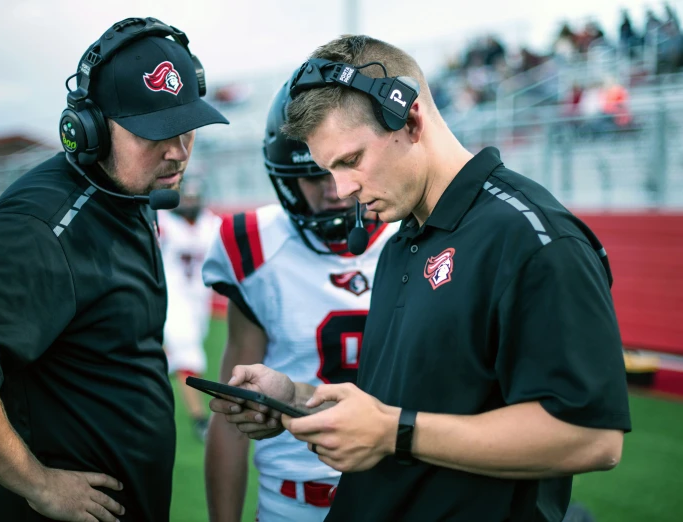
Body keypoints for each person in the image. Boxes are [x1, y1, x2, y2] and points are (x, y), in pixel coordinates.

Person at [209, 35, 630, 522]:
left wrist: (393, 431)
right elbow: (405, 404)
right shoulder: (403, 239)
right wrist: (297, 397)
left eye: (350, 161)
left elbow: (592, 438)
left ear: (410, 120)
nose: (342, 189)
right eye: (327, 170)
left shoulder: (532, 239)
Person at [0, 17, 227, 522]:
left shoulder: (127, 190)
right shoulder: (46, 222)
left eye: (186, 130)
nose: (178, 152)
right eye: (154, 133)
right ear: (89, 128)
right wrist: (40, 484)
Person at [202, 76, 399, 522]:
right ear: (286, 178)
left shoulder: (417, 234)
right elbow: (233, 411)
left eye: (346, 164)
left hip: (404, 492)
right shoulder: (253, 244)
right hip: (293, 502)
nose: (335, 189)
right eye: (314, 174)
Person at [157, 176, 221, 441]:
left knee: (183, 354)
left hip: (199, 299)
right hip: (174, 296)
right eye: (186, 196)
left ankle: (158, 367)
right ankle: (200, 421)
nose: (190, 201)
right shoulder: (162, 222)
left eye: (195, 197)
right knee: (191, 357)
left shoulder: (212, 224)